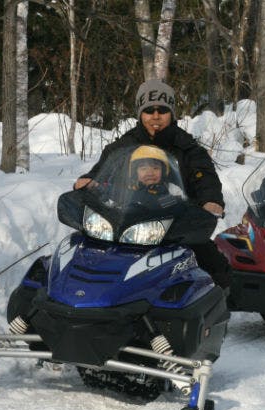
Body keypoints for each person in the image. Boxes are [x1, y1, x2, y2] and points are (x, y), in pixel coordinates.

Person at [74, 79, 232, 292]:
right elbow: (103, 171)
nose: (155, 116)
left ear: (172, 113)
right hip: (125, 222)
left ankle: (215, 307)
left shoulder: (187, 147)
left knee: (210, 260)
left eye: (162, 110)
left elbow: (204, 177)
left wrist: (210, 200)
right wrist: (89, 181)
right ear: (140, 113)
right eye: (149, 110)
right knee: (87, 250)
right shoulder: (124, 145)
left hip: (175, 225)